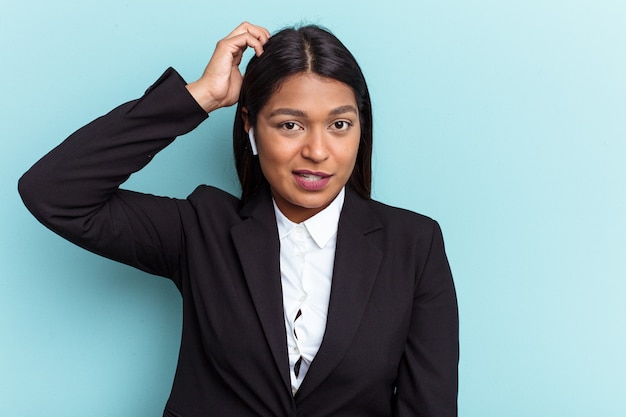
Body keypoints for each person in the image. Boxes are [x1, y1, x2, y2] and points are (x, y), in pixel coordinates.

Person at [19, 22, 458, 417]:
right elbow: (54, 192)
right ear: (249, 125)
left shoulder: (414, 245)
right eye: (290, 125)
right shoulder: (201, 230)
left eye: (340, 125)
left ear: (361, 129)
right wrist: (201, 97)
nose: (318, 151)